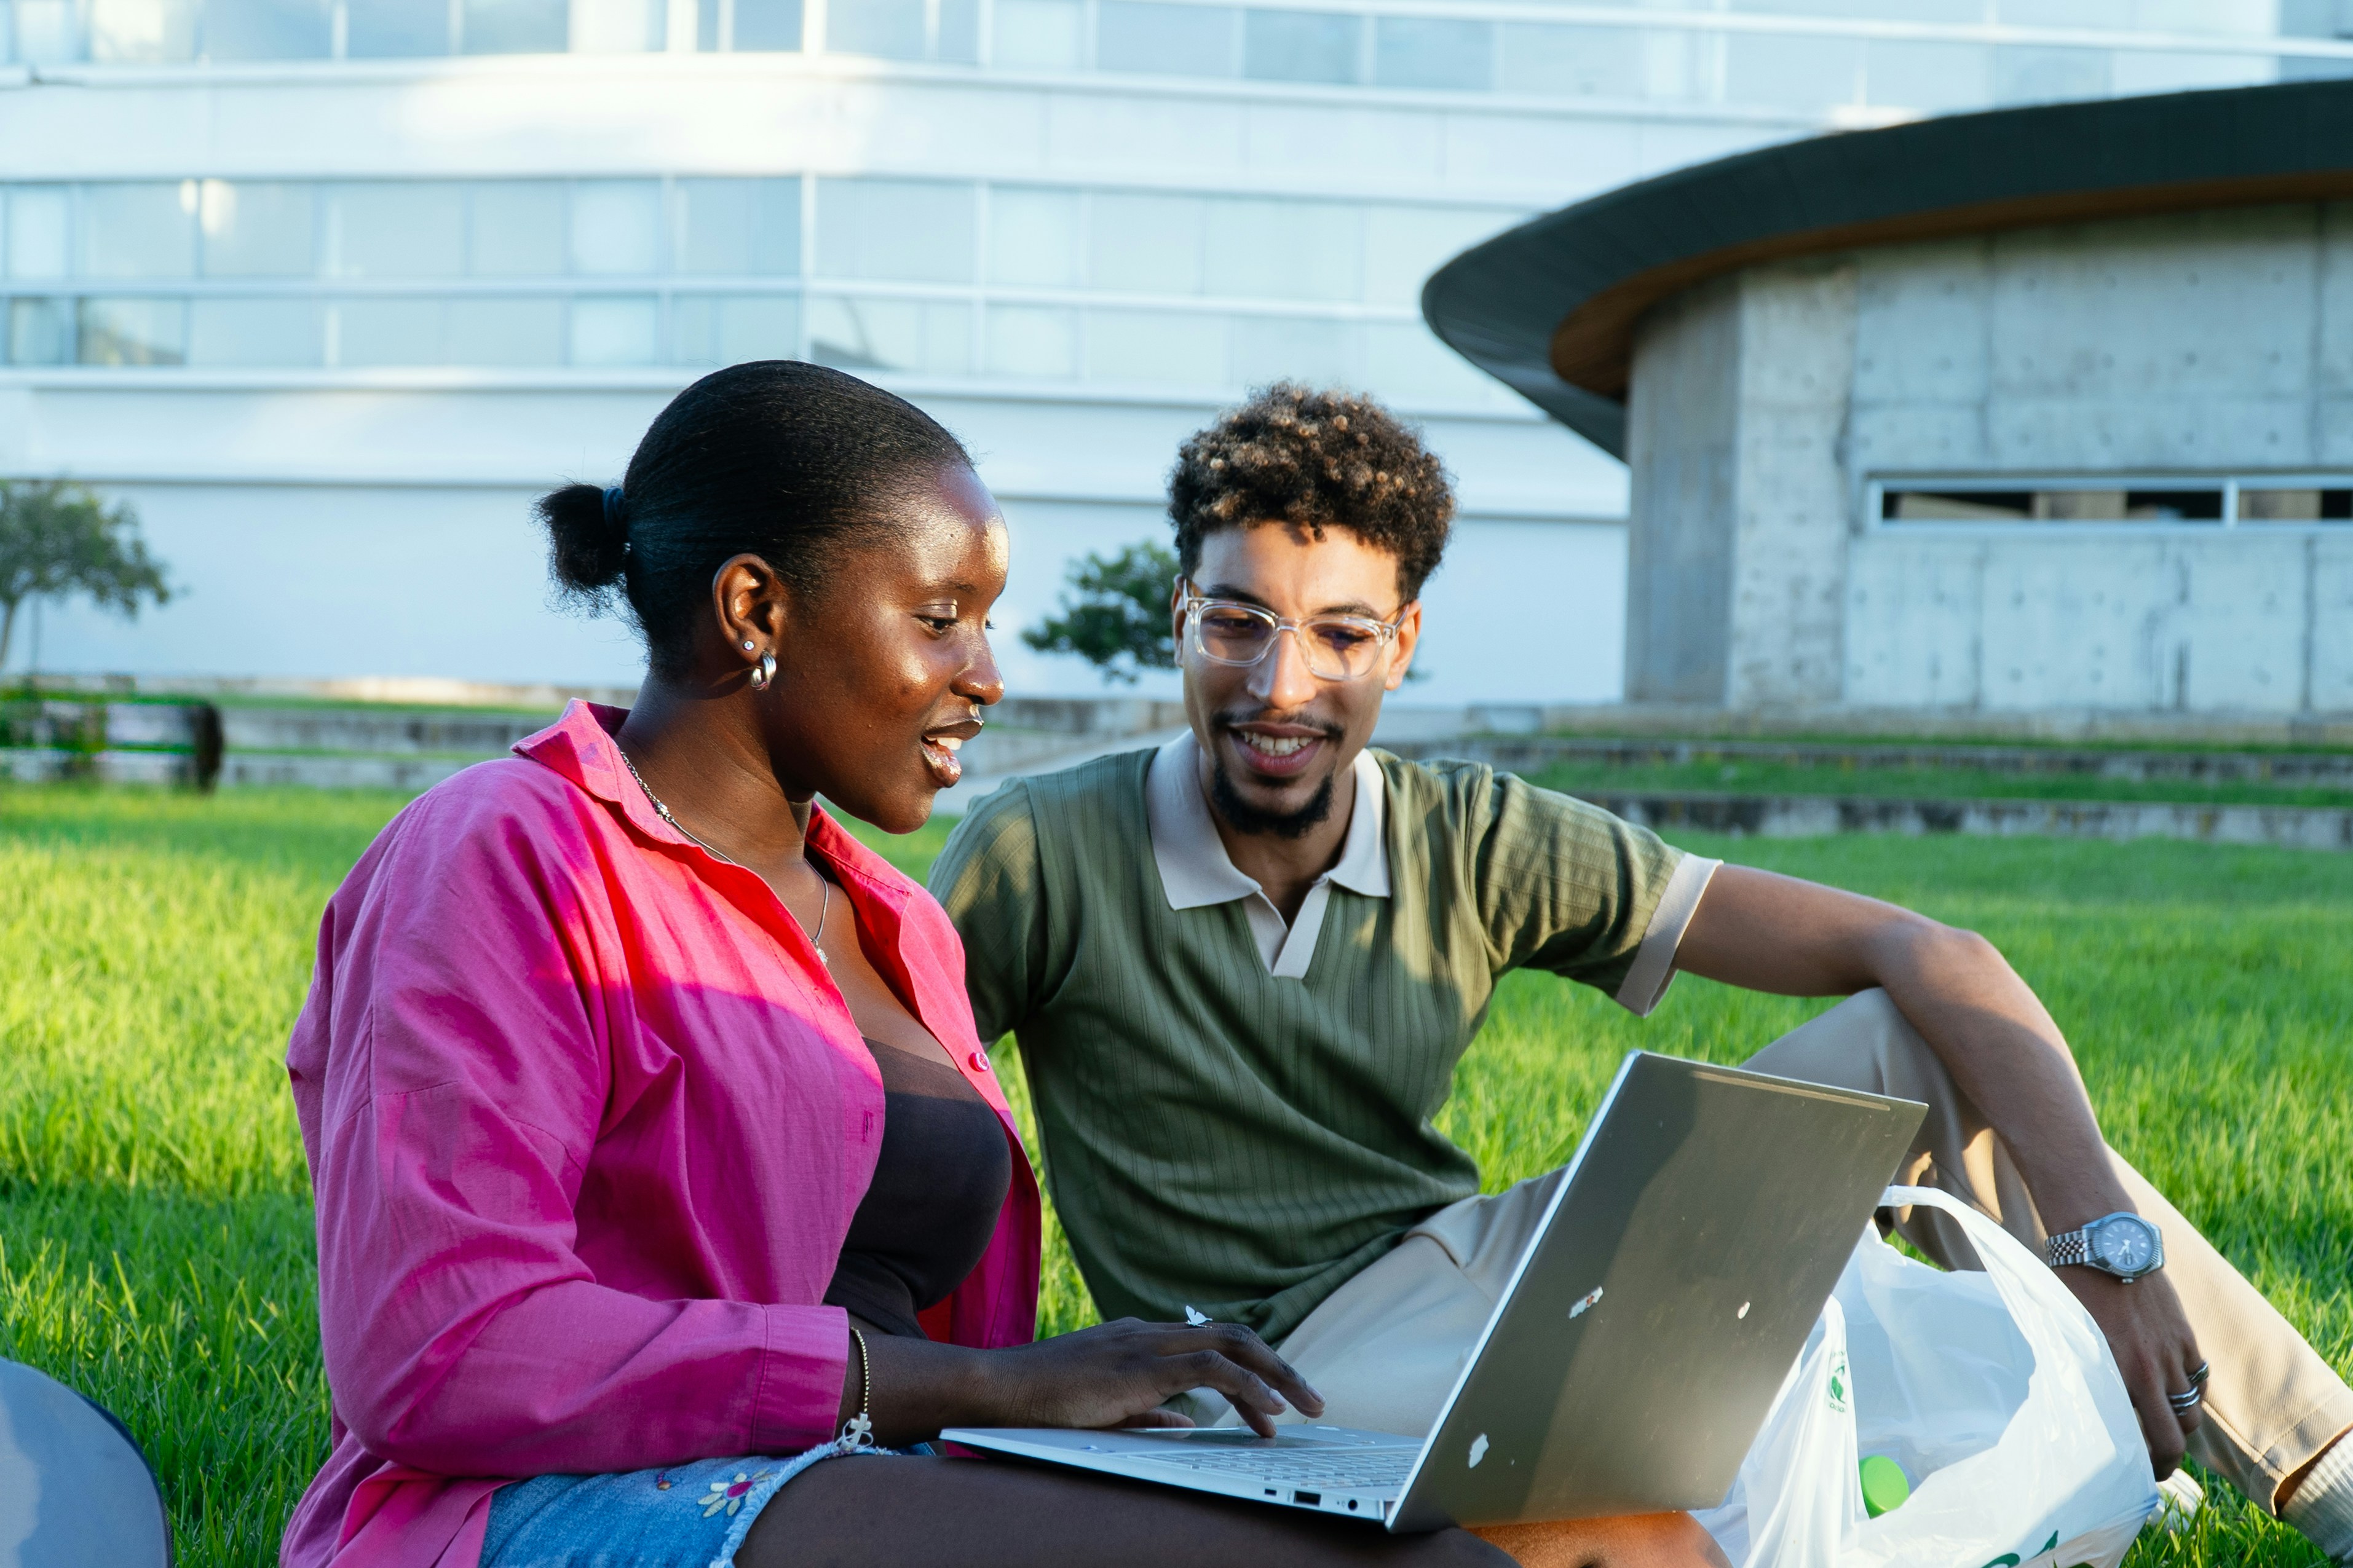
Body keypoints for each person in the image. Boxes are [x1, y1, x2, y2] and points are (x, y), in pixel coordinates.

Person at [279, 361, 1724, 1568]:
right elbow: (442, 1346)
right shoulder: (508, 850)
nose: (987, 670)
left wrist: (1055, 1400)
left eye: (986, 618)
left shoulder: (896, 924)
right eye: (939, 615)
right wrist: (980, 1384)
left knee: (1619, 1536)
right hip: (564, 1506)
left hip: (876, 1468)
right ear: (754, 610)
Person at [930, 382, 2353, 1564]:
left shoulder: (1469, 832)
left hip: (1477, 1262)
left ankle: (2312, 1460)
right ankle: (2001, 1440)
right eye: (1239, 620)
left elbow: (1932, 952)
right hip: (1275, 1371)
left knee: (1908, 1035)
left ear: (1403, 644)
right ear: (1181, 613)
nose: (1282, 684)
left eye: (1342, 634)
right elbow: (897, 1133)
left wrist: (2107, 1245)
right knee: (1686, 1458)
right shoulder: (1039, 848)